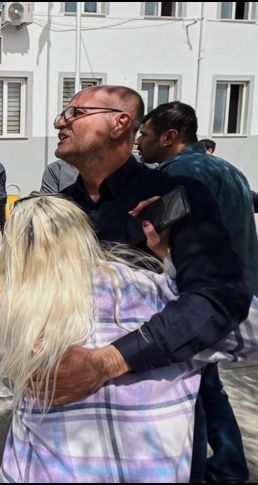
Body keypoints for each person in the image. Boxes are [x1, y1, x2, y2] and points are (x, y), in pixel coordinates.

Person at [49, 85, 251, 483]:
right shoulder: (60, 208)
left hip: (155, 432)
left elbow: (218, 297)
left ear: (119, 122)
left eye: (73, 113)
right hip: (74, 436)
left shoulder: (175, 194)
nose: (59, 122)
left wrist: (107, 362)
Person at [0, 194, 258, 482]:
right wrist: (177, 259)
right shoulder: (160, 296)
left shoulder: (6, 310)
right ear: (85, 235)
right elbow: (250, 331)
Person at [136, 100, 257, 481]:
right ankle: (229, 465)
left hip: (202, 297)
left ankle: (199, 470)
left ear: (170, 136)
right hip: (238, 292)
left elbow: (159, 236)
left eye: (145, 133)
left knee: (187, 388)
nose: (139, 140)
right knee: (207, 384)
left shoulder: (180, 174)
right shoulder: (225, 167)